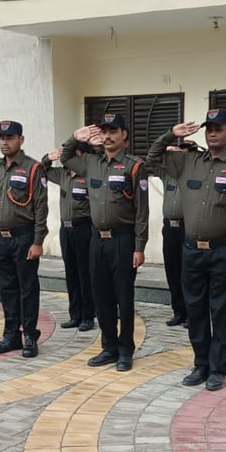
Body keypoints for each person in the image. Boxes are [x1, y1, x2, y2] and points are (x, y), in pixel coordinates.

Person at [147, 109, 226, 391]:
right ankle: (201, 364)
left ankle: (217, 369)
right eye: (209, 129)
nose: (213, 133)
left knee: (219, 311)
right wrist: (171, 134)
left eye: (219, 129)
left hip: (222, 250)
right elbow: (152, 159)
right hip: (191, 250)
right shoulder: (188, 161)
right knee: (195, 310)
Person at [62, 114, 149, 371]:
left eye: (113, 131)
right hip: (96, 239)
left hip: (123, 239)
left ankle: (126, 350)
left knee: (124, 296)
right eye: (105, 131)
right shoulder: (91, 162)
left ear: (124, 135)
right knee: (101, 296)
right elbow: (65, 158)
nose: (108, 136)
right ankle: (109, 347)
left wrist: (140, 246)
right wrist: (75, 138)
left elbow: (142, 210)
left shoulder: (134, 166)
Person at [0, 120, 49, 358]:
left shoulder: (33, 168)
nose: (5, 142)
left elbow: (41, 207)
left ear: (21, 139)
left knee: (27, 288)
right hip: (0, 238)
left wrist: (38, 241)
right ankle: (11, 335)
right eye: (2, 138)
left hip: (24, 237)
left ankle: (30, 335)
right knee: (7, 289)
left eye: (10, 138)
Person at [43, 144, 95, 333]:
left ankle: (88, 316)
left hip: (83, 227)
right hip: (66, 228)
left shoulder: (89, 174)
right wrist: (48, 158)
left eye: (71, 153)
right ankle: (75, 315)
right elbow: (42, 170)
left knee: (85, 274)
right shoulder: (62, 174)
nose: (67, 157)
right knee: (71, 273)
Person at [156, 145, 191, 328]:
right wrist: (166, 147)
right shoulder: (167, 174)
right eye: (177, 153)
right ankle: (178, 312)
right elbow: (153, 158)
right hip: (170, 228)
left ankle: (191, 314)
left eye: (184, 154)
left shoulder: (194, 175)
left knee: (188, 273)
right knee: (172, 271)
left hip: (187, 228)